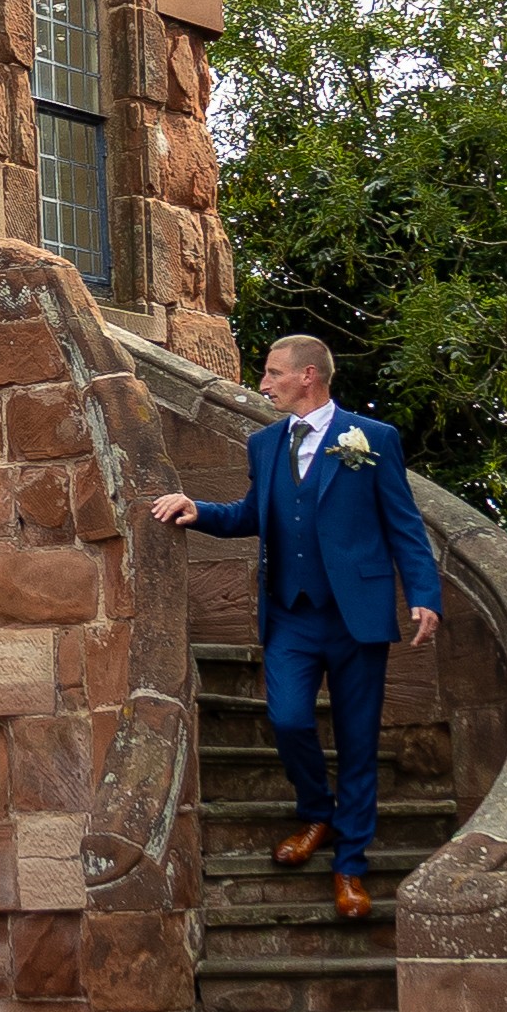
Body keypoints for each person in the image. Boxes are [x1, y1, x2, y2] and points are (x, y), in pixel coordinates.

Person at [148, 334, 442, 921]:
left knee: (359, 744)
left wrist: (425, 595)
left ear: (309, 375)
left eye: (273, 373)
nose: (264, 384)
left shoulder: (372, 440)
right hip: (291, 614)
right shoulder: (264, 445)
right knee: (287, 717)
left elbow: (404, 525)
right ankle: (317, 812)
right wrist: (197, 508)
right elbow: (253, 515)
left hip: (356, 615)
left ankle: (351, 867)